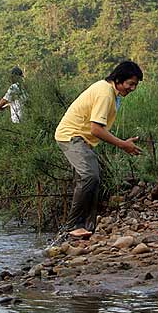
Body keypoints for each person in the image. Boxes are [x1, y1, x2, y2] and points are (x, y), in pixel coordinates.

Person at [55, 60, 143, 239]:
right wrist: (123, 144)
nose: (132, 88)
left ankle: (88, 226)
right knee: (90, 176)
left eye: (135, 85)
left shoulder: (110, 92)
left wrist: (123, 142)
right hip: (71, 136)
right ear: (118, 79)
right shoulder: (105, 94)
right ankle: (73, 226)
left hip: (82, 139)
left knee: (93, 176)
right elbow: (96, 128)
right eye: (130, 84)